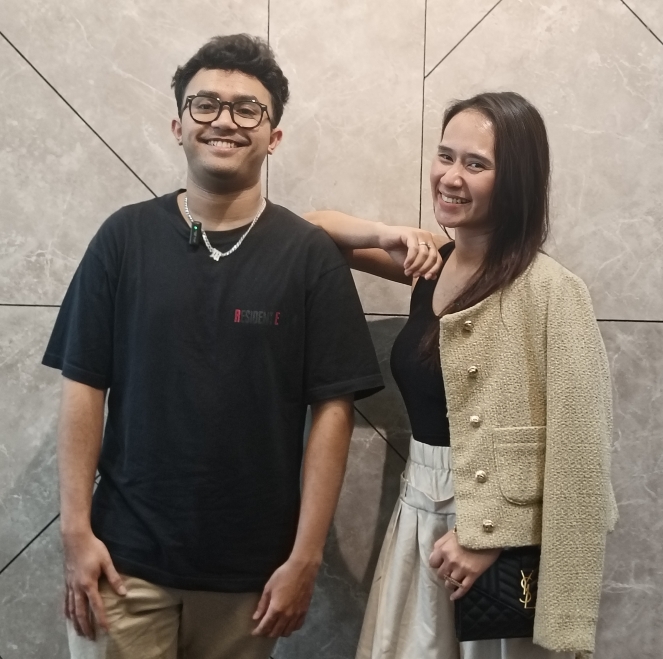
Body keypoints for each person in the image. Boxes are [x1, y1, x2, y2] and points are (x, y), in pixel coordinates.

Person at [40, 33, 440, 659]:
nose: (224, 120)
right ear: (179, 126)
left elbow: (332, 413)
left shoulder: (308, 257)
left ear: (273, 136)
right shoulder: (123, 239)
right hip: (120, 564)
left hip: (252, 579)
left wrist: (306, 557)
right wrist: (74, 533)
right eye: (205, 104)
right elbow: (83, 384)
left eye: (247, 109)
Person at [305, 91, 618, 659]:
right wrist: (389, 233)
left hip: (498, 542)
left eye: (476, 164)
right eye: (445, 156)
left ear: (515, 180)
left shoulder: (553, 291)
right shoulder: (432, 264)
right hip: (417, 510)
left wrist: (488, 537)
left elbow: (581, 461)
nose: (451, 177)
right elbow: (314, 231)